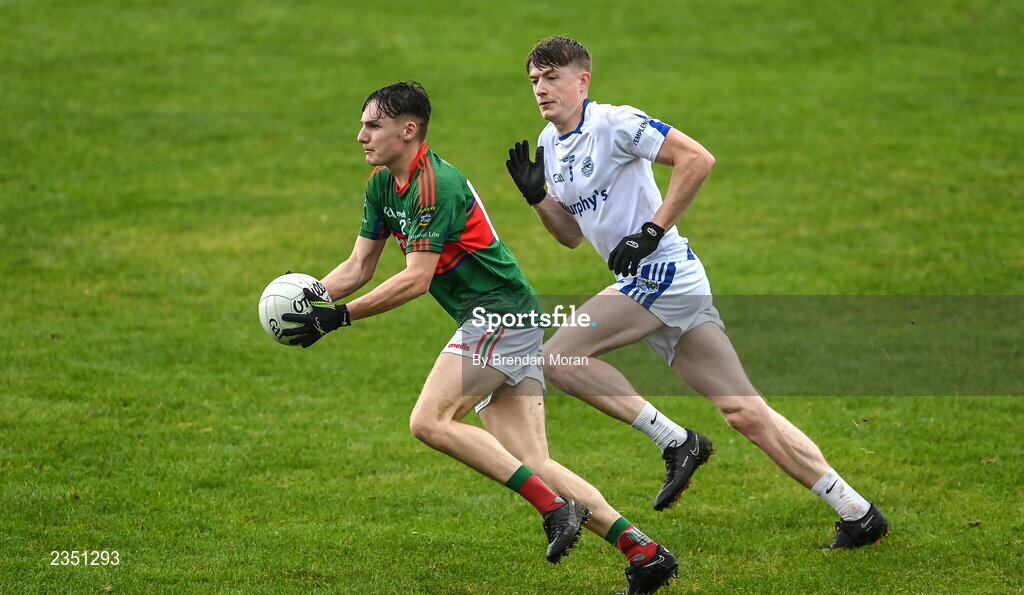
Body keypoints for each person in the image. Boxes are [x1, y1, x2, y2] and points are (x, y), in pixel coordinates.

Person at [282, 81, 680, 593]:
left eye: (372, 125)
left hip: (499, 317)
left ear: (408, 130)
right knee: (533, 463)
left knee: (430, 421)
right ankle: (644, 552)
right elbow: (359, 266)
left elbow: (416, 278)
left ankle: (555, 509)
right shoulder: (384, 184)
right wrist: (311, 298)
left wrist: (341, 318)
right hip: (499, 318)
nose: (361, 135)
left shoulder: (435, 186)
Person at [505, 37, 888, 549]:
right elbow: (571, 236)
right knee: (745, 412)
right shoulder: (550, 146)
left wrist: (652, 230)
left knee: (558, 357)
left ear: (582, 81)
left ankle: (678, 441)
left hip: (662, 272)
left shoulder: (615, 123)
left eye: (552, 78)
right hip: (646, 283)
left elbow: (696, 159)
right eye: (534, 80)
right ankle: (858, 512)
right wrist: (537, 198)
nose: (541, 89)